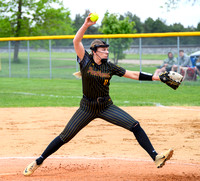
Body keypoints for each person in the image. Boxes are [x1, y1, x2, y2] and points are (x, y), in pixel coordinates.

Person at [23, 14, 173, 176]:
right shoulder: (85, 60)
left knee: (135, 125)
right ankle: (39, 160)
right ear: (94, 51)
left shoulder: (110, 67)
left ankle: (156, 157)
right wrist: (86, 25)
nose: (106, 52)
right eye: (103, 50)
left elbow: (134, 74)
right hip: (86, 108)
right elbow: (76, 41)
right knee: (65, 136)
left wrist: (157, 77)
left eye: (107, 49)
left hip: (106, 107)